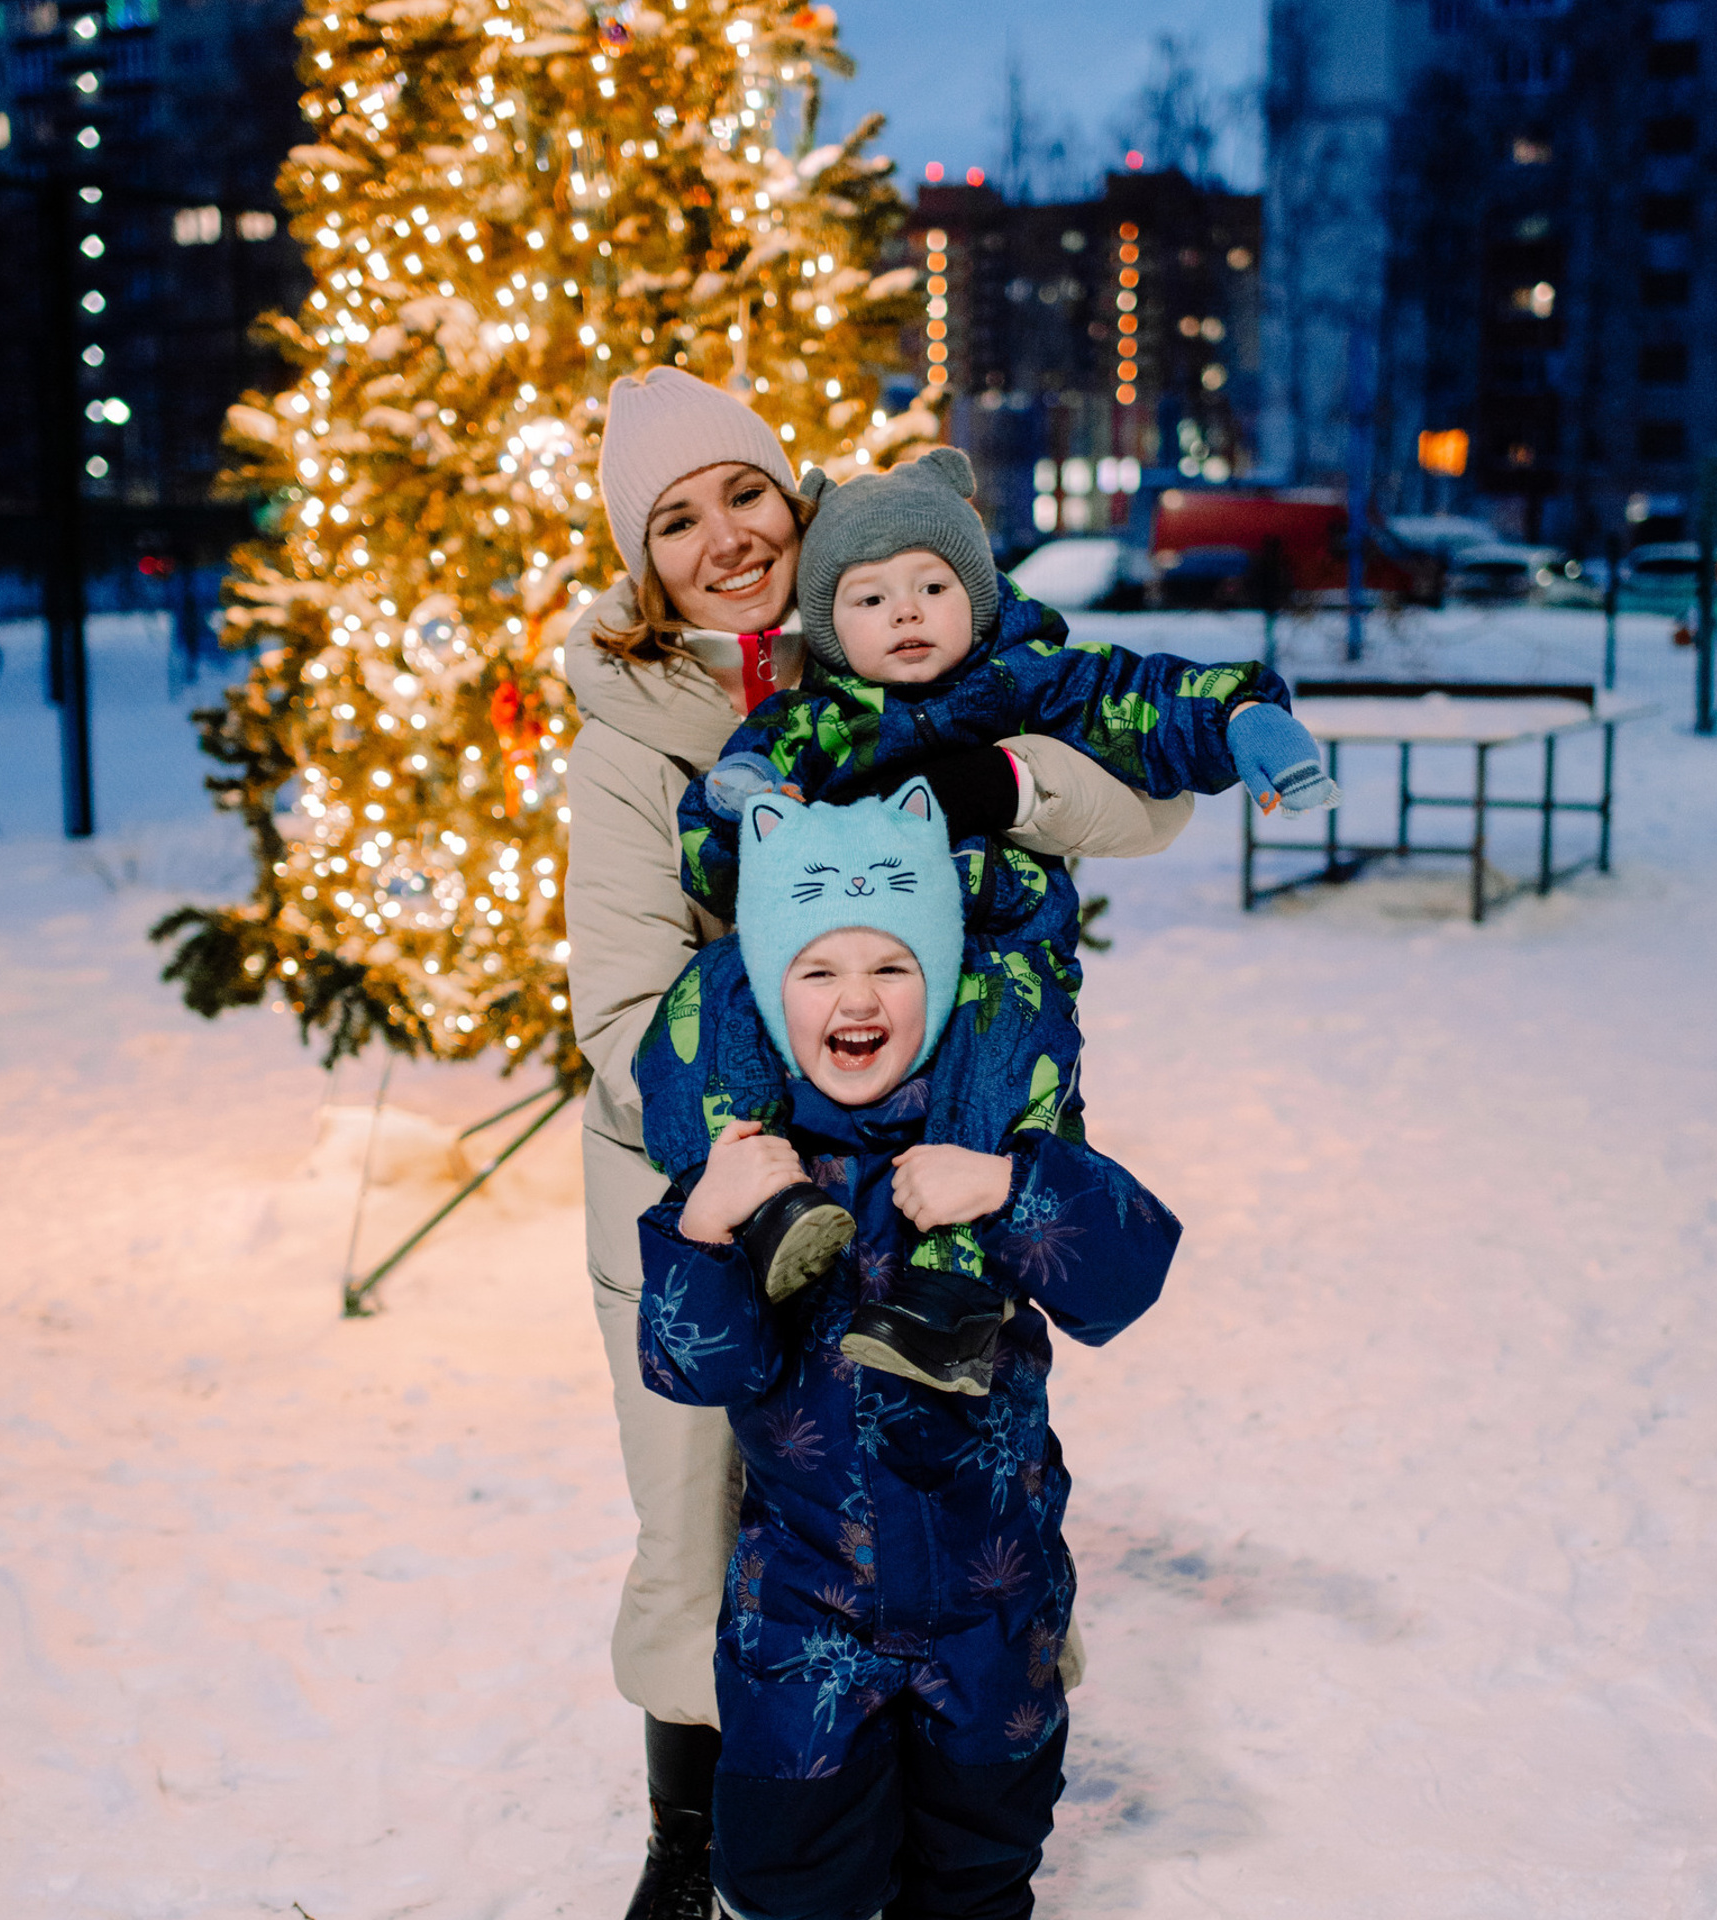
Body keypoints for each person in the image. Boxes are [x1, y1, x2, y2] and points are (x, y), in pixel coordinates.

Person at [564, 366, 1197, 1920]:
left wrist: (988, 778)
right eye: (674, 520)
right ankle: (699, 1829)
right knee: (701, 1503)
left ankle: (957, 1791)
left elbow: (1151, 806)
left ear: (792, 490)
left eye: (742, 492)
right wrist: (761, 1149)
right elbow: (623, 998)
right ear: (642, 562)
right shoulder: (633, 723)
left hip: (931, 1154)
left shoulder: (905, 606)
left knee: (936, 1459)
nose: (724, 535)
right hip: (708, 1169)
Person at [636, 446, 1337, 1397]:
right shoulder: (814, 721)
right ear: (832, 628)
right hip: (844, 958)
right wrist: (741, 801)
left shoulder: (1029, 680)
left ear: (979, 591)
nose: (907, 613)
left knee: (1002, 1012)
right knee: (713, 993)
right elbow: (719, 864)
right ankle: (751, 1196)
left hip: (995, 943)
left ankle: (949, 1288)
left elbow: (1143, 699)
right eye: (870, 598)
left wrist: (1241, 718)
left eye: (932, 584)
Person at [635, 774, 1181, 1920]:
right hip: (803, 1613)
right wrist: (703, 1222)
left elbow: (1127, 1273)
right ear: (770, 994)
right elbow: (698, 1365)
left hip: (994, 1609)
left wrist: (1008, 1187)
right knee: (791, 1877)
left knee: (978, 1869)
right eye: (817, 969)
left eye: (893, 964)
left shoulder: (992, 1139)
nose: (858, 997)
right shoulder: (753, 1166)